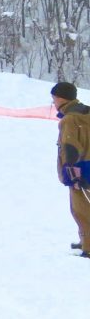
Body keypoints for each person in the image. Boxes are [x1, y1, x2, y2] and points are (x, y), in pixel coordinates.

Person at [51, 82, 90, 258]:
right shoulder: (86, 112)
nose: (53, 102)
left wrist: (73, 175)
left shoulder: (69, 119)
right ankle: (84, 240)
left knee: (81, 210)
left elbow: (70, 147)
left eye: (54, 98)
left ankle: (88, 246)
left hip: (80, 169)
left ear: (61, 98)